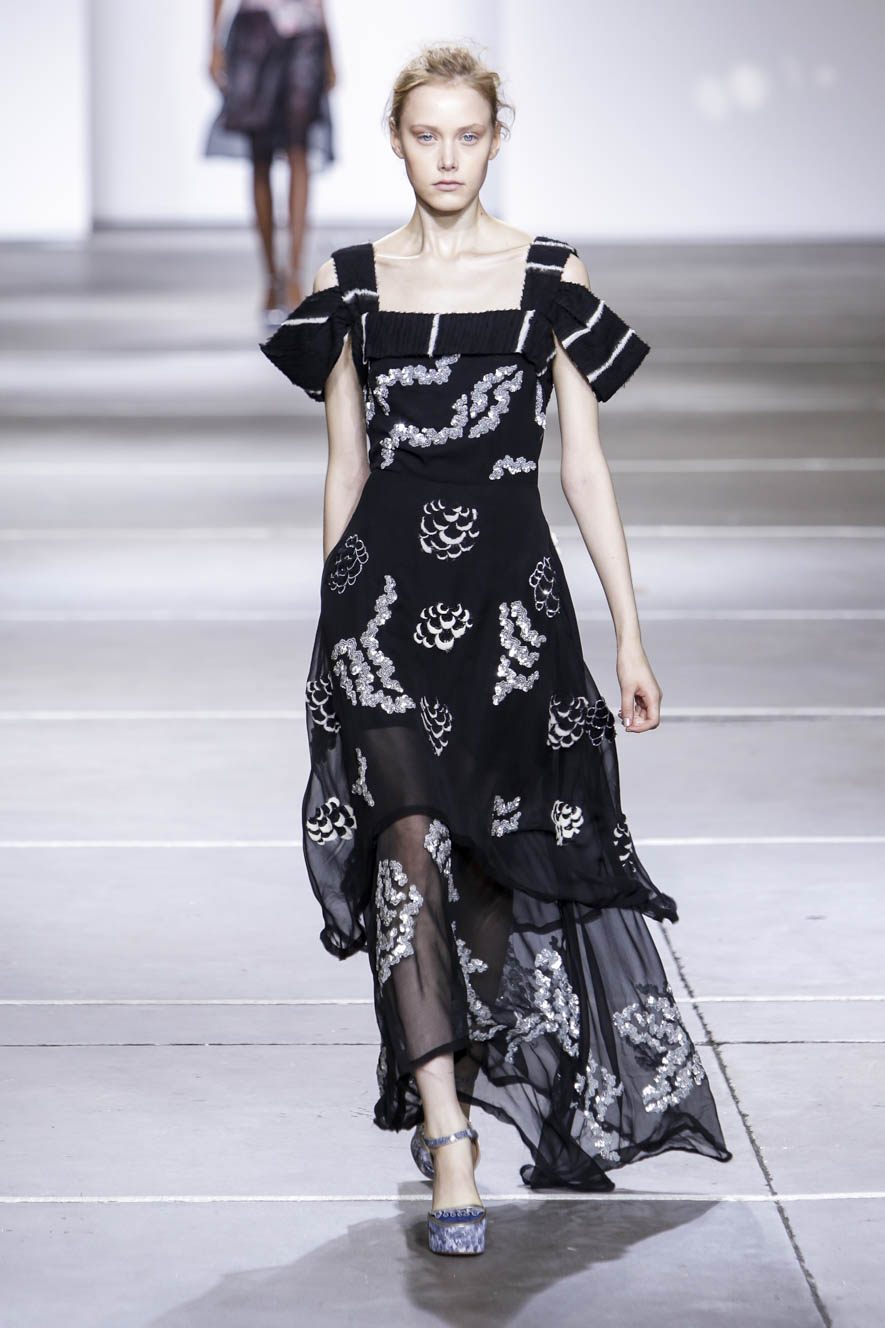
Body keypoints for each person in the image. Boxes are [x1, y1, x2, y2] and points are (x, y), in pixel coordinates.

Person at [260, 42, 733, 1257]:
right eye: (427, 134)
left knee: (482, 863)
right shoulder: (349, 286)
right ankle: (451, 1137)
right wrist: (330, 623)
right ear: (398, 141)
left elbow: (584, 467)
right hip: (383, 609)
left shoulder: (548, 277)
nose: (448, 156)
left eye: (467, 134)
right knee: (406, 846)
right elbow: (346, 467)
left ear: (494, 139)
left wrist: (629, 634)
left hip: (513, 611)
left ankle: (454, 1087)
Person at [206, 0, 336, 332]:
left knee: (298, 151)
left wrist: (330, 46)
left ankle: (293, 277)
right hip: (254, 32)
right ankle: (270, 278)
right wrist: (214, 45)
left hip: (305, 32)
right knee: (260, 156)